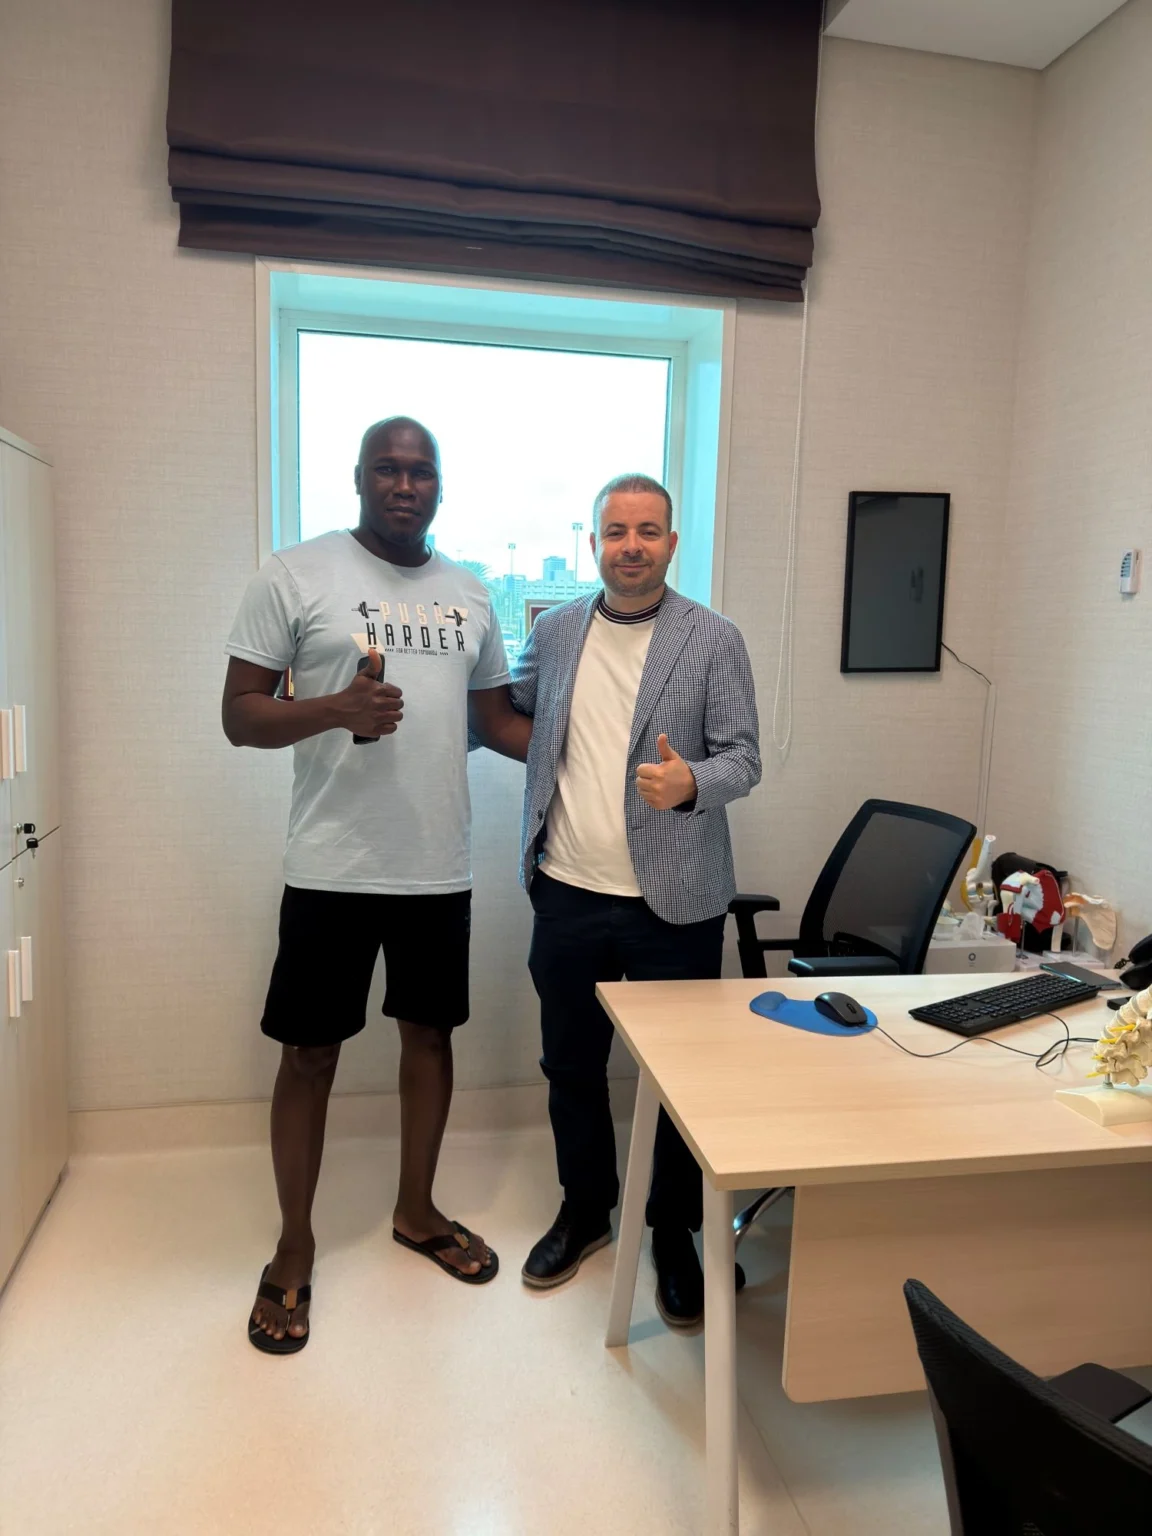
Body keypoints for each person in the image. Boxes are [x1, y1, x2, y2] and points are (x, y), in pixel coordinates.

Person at [223, 416, 528, 1353]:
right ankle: (294, 1246)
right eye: (387, 469)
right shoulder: (295, 574)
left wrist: (601, 752)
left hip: (436, 866)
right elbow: (240, 715)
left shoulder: (470, 592)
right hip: (332, 865)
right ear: (359, 478)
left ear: (439, 486)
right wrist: (335, 709)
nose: (404, 485)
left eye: (420, 471)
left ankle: (417, 1212)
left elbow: (497, 724)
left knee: (429, 1037)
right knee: (309, 1053)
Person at [510, 473, 761, 1327]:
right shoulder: (555, 632)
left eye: (647, 531)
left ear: (671, 544)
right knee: (570, 1066)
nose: (631, 546)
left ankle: (672, 1232)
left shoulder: (714, 638)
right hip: (568, 891)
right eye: (616, 531)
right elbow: (514, 710)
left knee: (679, 1080)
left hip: (676, 902)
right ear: (594, 544)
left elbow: (745, 758)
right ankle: (585, 1210)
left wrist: (693, 783)